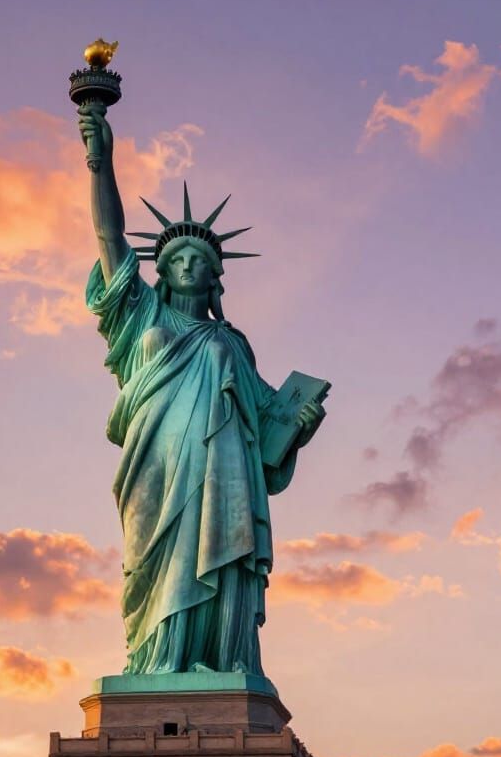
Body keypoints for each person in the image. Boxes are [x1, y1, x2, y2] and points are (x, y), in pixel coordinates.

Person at [78, 102, 325, 677]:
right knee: (153, 564)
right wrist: (100, 159)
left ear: (216, 277)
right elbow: (108, 234)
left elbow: (267, 427)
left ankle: (219, 657)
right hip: (156, 469)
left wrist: (300, 427)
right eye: (177, 258)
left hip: (223, 477)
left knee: (219, 556)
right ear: (159, 272)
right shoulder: (138, 318)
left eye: (200, 260)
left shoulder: (231, 344)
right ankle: (156, 662)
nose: (188, 265)